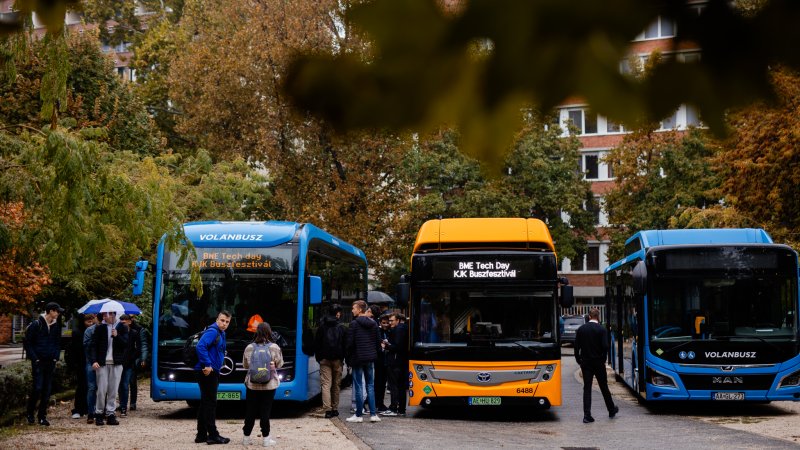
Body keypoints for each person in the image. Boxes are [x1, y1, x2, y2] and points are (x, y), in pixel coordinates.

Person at [241, 322, 283, 447]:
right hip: (269, 385)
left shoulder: (249, 347)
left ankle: (246, 438)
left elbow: (245, 366)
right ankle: (266, 439)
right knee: (265, 412)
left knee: (250, 411)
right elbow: (280, 364)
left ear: (256, 332)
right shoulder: (274, 347)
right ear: (269, 332)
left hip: (252, 385)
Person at [574, 308, 618, 423]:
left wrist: (579, 360)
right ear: (598, 317)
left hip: (586, 362)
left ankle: (586, 415)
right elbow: (605, 346)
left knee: (587, 388)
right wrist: (603, 358)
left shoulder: (581, 329)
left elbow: (576, 347)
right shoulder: (602, 329)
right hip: (598, 362)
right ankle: (611, 409)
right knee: (603, 386)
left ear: (589, 316)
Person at [24, 301, 64, 426]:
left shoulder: (56, 326)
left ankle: (42, 416)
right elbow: (28, 343)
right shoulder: (36, 324)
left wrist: (55, 357)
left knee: (47, 390)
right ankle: (30, 413)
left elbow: (58, 342)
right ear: (51, 311)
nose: (58, 313)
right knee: (38, 387)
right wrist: (35, 358)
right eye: (57, 311)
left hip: (50, 361)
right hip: (38, 361)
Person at [195, 311, 231, 445]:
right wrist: (208, 364)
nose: (224, 324)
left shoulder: (221, 333)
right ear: (217, 320)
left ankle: (201, 435)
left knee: (205, 402)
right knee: (210, 403)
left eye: (227, 322)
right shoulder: (213, 331)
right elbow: (200, 346)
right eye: (222, 320)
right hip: (207, 371)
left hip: (212, 370)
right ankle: (213, 435)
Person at [89, 310, 129, 426]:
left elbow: (125, 344)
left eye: (107, 314)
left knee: (113, 390)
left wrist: (117, 336)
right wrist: (94, 360)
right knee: (101, 390)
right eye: (104, 314)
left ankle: (110, 413)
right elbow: (93, 345)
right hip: (102, 363)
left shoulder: (122, 327)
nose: (105, 316)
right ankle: (99, 414)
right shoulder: (100, 328)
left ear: (113, 315)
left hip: (116, 362)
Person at [345, 300, 381, 423]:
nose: (352, 310)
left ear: (360, 310)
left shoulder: (354, 324)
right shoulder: (374, 324)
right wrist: (374, 354)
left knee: (359, 386)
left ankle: (358, 414)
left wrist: (348, 359)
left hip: (357, 358)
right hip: (370, 358)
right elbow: (378, 342)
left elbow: (349, 343)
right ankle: (373, 414)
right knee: (370, 385)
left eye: (354, 308)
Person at [315, 305, 346, 418]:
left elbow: (317, 343)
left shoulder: (322, 327)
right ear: (337, 313)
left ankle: (327, 409)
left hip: (324, 359)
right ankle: (335, 408)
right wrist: (343, 358)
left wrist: (319, 358)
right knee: (336, 385)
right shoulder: (341, 327)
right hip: (337, 359)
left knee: (326, 384)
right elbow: (345, 344)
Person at [67, 313, 93, 419]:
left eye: (92, 321)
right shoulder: (77, 332)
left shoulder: (93, 331)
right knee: (82, 386)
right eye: (88, 321)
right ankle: (78, 408)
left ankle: (86, 407)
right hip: (81, 362)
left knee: (90, 386)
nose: (90, 324)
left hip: (89, 361)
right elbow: (75, 349)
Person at [382, 312, 408, 417]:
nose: (390, 323)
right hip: (402, 361)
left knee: (394, 385)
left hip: (395, 361)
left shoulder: (398, 330)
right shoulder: (405, 328)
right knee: (401, 386)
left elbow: (397, 346)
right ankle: (401, 409)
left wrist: (386, 346)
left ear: (398, 320)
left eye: (392, 320)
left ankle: (393, 408)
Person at [117, 314, 142, 416]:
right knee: (120, 385)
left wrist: (132, 358)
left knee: (125, 384)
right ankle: (122, 404)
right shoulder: (118, 333)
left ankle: (124, 407)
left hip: (129, 363)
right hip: (119, 362)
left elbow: (138, 348)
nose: (123, 324)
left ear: (129, 322)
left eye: (124, 322)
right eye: (121, 322)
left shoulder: (134, 333)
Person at [83, 314, 99, 424]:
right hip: (90, 362)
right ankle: (90, 412)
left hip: (103, 362)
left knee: (103, 388)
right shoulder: (89, 331)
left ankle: (101, 411)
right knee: (92, 387)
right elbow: (86, 346)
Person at [374, 314, 391, 413]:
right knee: (377, 384)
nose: (385, 324)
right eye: (383, 323)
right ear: (380, 323)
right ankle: (377, 403)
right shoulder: (378, 332)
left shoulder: (390, 332)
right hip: (379, 362)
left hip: (386, 362)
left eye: (387, 322)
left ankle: (380, 403)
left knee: (383, 384)